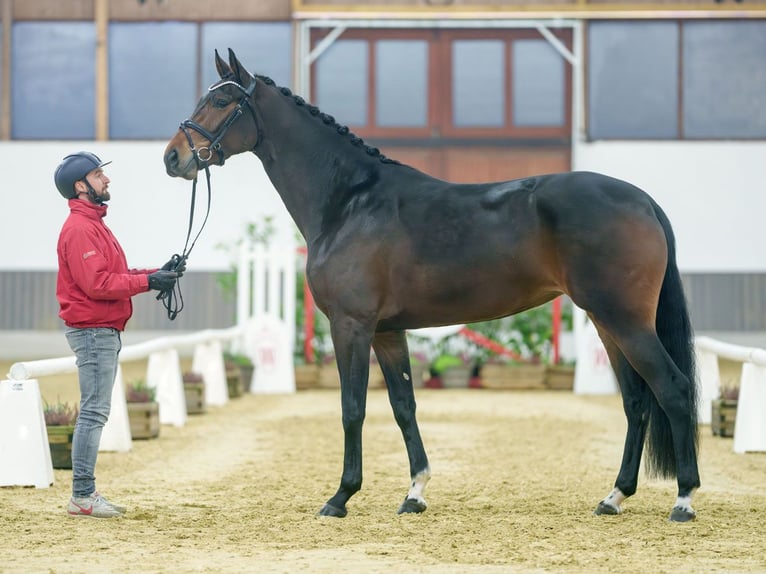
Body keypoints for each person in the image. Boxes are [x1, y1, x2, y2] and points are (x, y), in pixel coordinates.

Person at [54, 151, 183, 518]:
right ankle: (82, 496)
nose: (106, 180)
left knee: (96, 411)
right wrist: (148, 282)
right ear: (81, 186)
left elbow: (116, 272)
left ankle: (85, 493)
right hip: (94, 330)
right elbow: (98, 284)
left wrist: (159, 271)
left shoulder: (93, 225)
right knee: (94, 412)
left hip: (101, 329)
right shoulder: (80, 229)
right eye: (97, 175)